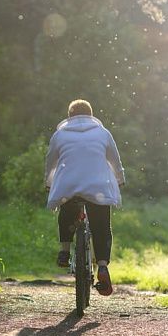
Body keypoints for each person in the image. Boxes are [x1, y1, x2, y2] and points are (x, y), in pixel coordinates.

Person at [44, 99, 125, 296]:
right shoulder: (103, 133)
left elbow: (50, 161)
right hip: (98, 186)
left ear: (69, 116)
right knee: (101, 226)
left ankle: (64, 250)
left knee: (67, 209)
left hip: (69, 184)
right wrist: (120, 179)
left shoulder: (60, 134)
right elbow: (114, 160)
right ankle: (103, 265)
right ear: (91, 114)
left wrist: (49, 183)